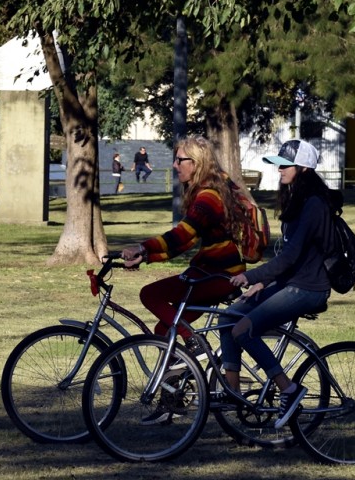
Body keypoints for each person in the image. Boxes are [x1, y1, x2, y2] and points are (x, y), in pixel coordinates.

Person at [223, 139, 337, 428]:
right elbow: (288, 259)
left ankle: (290, 389)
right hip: (290, 282)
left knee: (243, 330)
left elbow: (289, 258)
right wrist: (265, 283)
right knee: (228, 319)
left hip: (308, 289)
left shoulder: (313, 205)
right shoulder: (297, 201)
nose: (280, 171)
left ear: (303, 169)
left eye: (285, 166)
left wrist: (251, 276)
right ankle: (234, 397)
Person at [121, 135, 249, 344]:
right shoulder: (209, 191)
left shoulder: (208, 197)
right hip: (215, 273)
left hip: (216, 276)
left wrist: (142, 248)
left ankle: (194, 342)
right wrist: (146, 257)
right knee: (163, 330)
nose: (174, 165)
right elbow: (187, 242)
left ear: (196, 163)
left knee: (150, 295)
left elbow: (182, 234)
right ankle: (180, 370)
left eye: (180, 160)